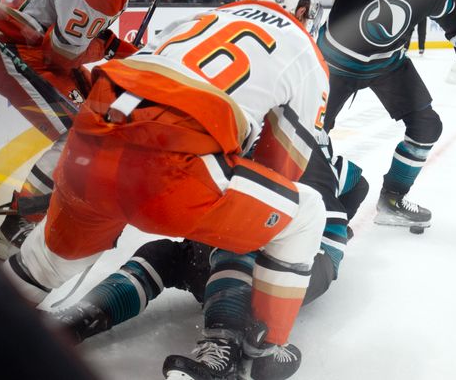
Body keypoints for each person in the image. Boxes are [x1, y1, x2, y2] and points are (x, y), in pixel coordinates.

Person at [4, 0, 329, 379]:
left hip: (94, 135)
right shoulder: (304, 49)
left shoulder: (203, 17)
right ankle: (266, 347)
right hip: (176, 165)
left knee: (46, 264)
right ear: (303, 7)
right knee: (305, 213)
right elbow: (281, 167)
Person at [0, 0, 191, 257]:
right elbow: (63, 56)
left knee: (100, 116)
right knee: (79, 134)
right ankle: (16, 228)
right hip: (10, 49)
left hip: (26, 39)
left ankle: (53, 201)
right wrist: (115, 50)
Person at [55, 135, 367, 380]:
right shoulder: (331, 161)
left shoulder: (257, 141)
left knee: (214, 241)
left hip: (276, 263)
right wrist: (342, 225)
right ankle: (83, 316)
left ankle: (225, 350)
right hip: (309, 270)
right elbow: (360, 184)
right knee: (168, 253)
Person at [298, 0, 456, 229]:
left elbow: (444, 8)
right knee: (304, 134)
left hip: (388, 64)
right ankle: (303, 203)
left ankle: (392, 200)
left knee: (427, 127)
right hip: (333, 62)